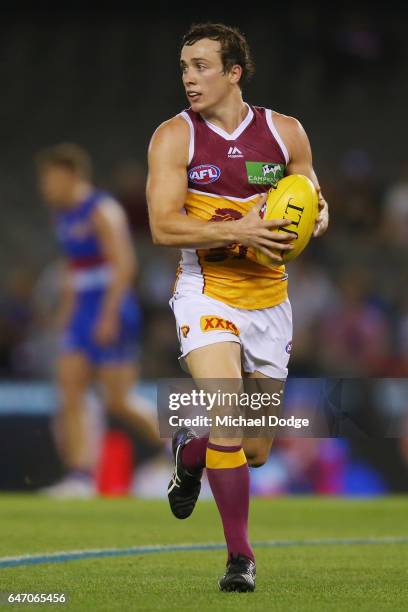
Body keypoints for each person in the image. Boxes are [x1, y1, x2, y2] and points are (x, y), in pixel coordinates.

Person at [147, 23, 329, 592]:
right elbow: (161, 225)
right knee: (227, 412)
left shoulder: (285, 134)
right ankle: (239, 559)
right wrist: (244, 227)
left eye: (201, 66)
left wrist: (315, 217)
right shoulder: (174, 138)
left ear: (234, 72)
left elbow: (312, 202)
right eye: (183, 68)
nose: (188, 78)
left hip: (270, 299)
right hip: (207, 291)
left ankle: (190, 450)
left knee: (253, 449)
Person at [36, 143, 162, 497]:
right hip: (83, 310)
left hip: (112, 307)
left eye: (50, 178)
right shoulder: (61, 214)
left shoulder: (102, 210)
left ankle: (179, 451)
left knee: (117, 399)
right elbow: (74, 270)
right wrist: (68, 313)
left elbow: (124, 265)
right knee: (70, 391)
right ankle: (80, 476)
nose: (45, 186)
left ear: (71, 175)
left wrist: (107, 316)